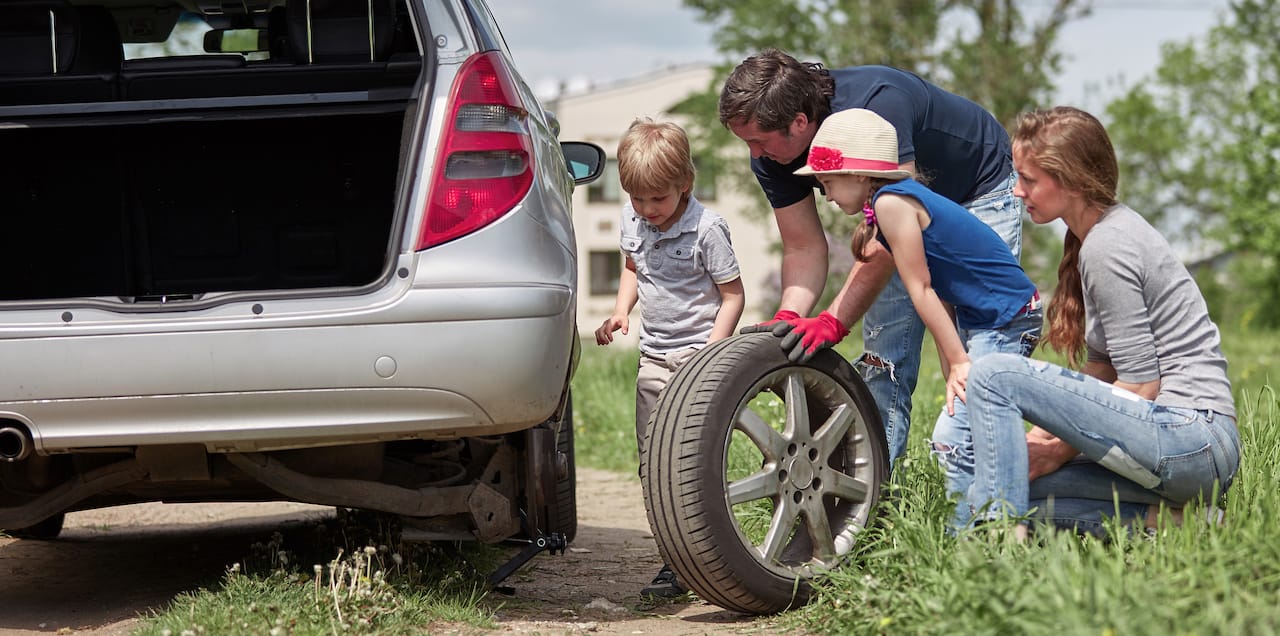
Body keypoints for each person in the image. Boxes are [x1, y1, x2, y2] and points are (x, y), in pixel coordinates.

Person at [719, 48, 1022, 469]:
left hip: (977, 190)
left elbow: (892, 227)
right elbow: (804, 246)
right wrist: (789, 319)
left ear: (799, 123)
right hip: (896, 222)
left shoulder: (878, 106)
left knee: (979, 353)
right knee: (883, 359)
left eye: (757, 141)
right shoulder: (773, 154)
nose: (753, 154)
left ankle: (985, 494)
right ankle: (874, 497)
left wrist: (833, 320)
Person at [961, 106, 1240, 537]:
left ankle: (995, 544)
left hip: (1192, 439)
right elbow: (1102, 370)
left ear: (1070, 180)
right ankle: (1183, 524)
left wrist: (1057, 450)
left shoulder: (1108, 246)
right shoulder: (1097, 236)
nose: (1017, 191)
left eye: (1029, 179)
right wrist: (1040, 441)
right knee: (1017, 487)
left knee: (993, 375)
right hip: (1179, 447)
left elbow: (1141, 387)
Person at [794, 108, 1043, 531]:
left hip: (1006, 320)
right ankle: (986, 526)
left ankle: (980, 533)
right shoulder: (894, 201)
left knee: (951, 436)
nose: (826, 194)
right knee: (967, 422)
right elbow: (944, 292)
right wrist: (955, 364)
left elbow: (921, 291)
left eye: (827, 182)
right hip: (998, 319)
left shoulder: (893, 204)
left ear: (858, 174)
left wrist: (962, 364)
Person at [594, 117, 745, 596]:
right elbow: (632, 266)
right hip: (654, 360)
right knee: (653, 463)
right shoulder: (632, 219)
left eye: (657, 199)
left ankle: (712, 557)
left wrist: (712, 354)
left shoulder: (708, 230)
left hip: (699, 359)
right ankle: (674, 564)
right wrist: (620, 311)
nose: (646, 209)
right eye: (637, 198)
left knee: (693, 463)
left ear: (685, 185)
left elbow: (733, 296)